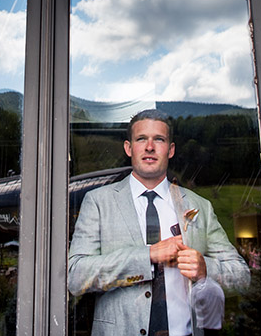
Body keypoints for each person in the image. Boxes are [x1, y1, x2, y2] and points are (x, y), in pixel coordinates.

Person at [68, 110, 250, 336]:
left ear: (171, 150)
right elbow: (75, 277)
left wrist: (205, 269)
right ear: (128, 148)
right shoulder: (98, 201)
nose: (150, 147)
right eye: (141, 139)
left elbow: (242, 277)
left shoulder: (199, 206)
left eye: (159, 140)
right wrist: (148, 256)